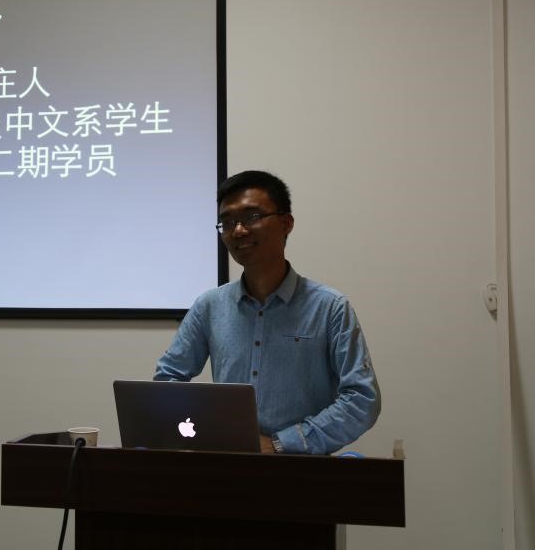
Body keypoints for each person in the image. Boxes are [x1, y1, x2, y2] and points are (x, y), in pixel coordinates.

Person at [154, 170, 380, 454]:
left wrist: (280, 444)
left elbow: (362, 400)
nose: (238, 231)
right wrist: (205, 430)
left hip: (300, 467)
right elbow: (167, 381)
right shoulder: (210, 306)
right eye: (227, 222)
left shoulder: (330, 307)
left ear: (286, 223)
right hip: (226, 462)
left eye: (252, 217)